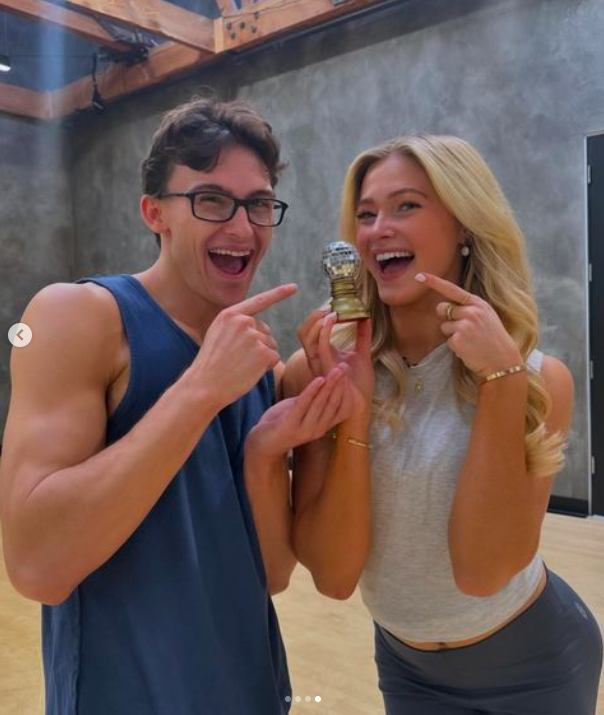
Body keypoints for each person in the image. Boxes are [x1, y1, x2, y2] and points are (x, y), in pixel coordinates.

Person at [0, 97, 351, 715]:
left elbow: (272, 574)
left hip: (253, 689)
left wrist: (272, 446)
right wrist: (198, 391)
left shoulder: (255, 363)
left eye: (259, 204)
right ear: (154, 213)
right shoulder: (76, 315)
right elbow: (36, 564)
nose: (242, 228)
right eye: (211, 200)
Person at [283, 135, 603, 714]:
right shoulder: (317, 371)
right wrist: (351, 410)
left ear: (463, 228)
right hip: (406, 668)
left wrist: (501, 383)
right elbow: (332, 577)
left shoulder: (536, 379)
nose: (379, 228)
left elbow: (483, 573)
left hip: (537, 664)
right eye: (366, 214)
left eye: (407, 205)